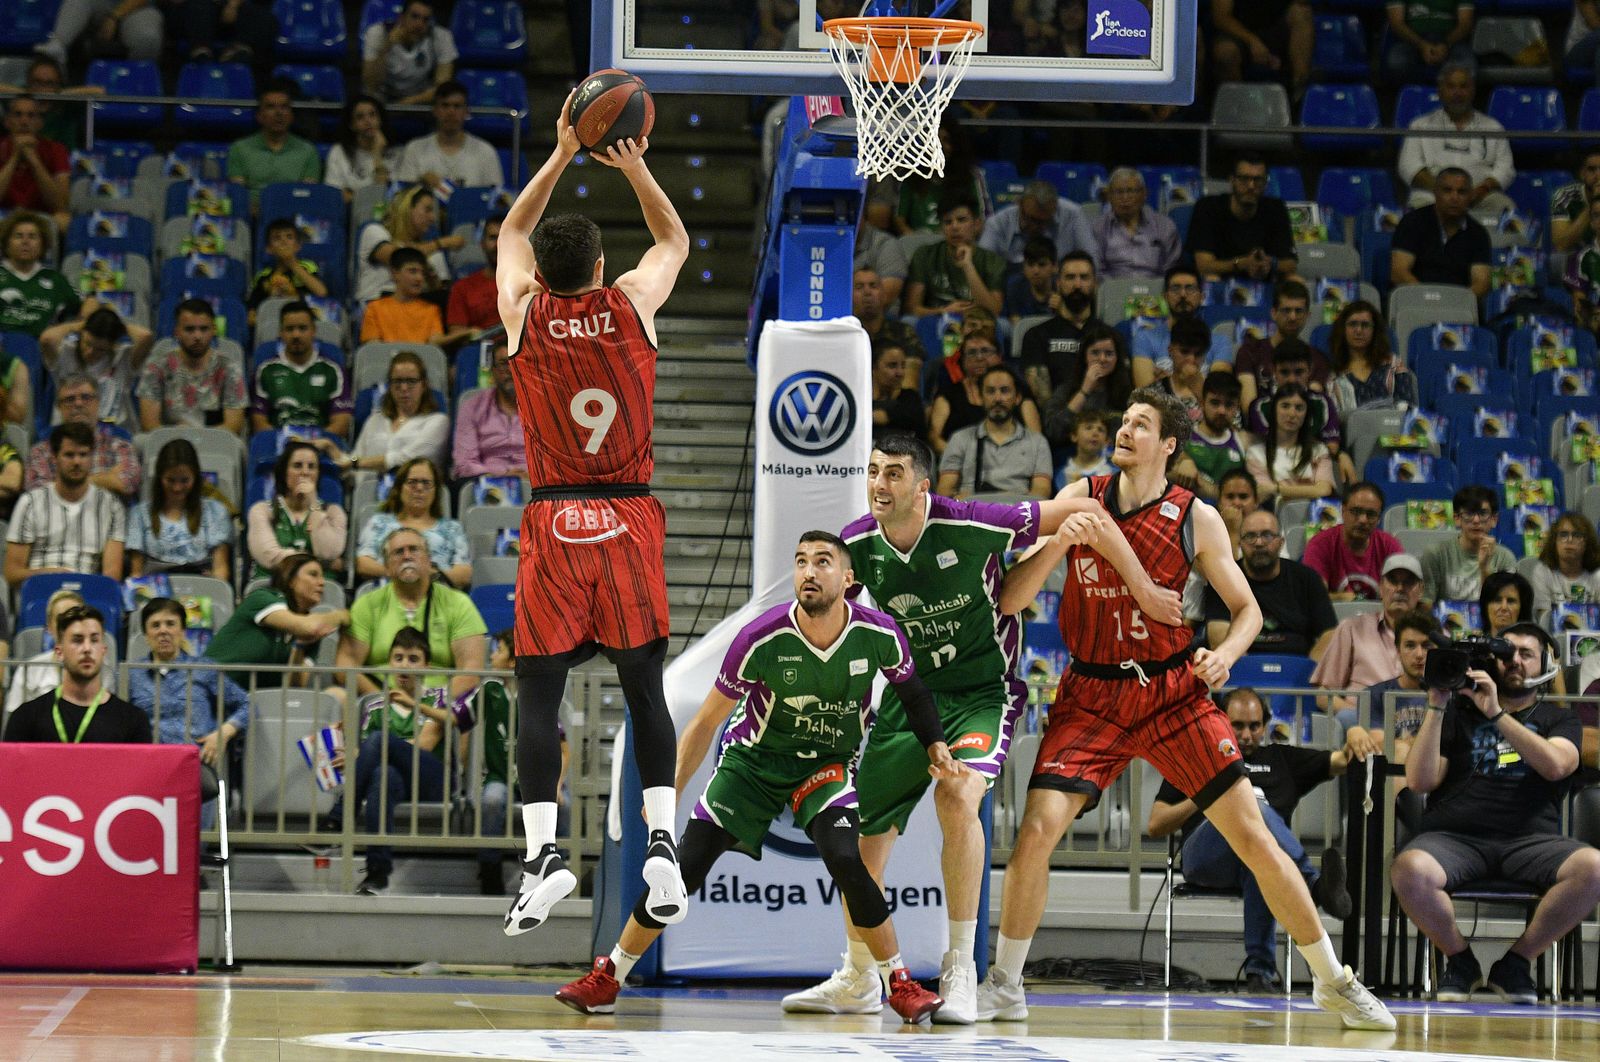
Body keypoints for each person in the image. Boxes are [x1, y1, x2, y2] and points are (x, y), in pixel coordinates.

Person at [985, 388, 1393, 1030]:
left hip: (1171, 691)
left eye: (1140, 424)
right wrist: (1060, 541)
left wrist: (1228, 654)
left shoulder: (1194, 516)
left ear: (1168, 445)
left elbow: (1249, 609)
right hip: (1091, 691)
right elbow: (1009, 602)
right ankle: (1005, 984)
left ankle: (1332, 981)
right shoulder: (1078, 495)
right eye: (1123, 419)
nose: (1124, 429)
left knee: (1254, 835)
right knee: (1036, 830)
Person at [783, 430, 1180, 1023]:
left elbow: (1090, 509)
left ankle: (960, 967)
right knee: (864, 843)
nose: (878, 485)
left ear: (922, 487)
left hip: (979, 695)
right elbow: (823, 614)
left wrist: (1143, 590)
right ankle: (860, 975)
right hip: (905, 699)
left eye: (892, 474)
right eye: (871, 472)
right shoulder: (855, 545)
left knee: (957, 793)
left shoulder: (972, 523)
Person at [554, 531, 954, 1023]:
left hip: (825, 765)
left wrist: (936, 745)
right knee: (685, 868)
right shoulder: (760, 637)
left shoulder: (879, 632)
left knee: (849, 861)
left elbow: (914, 694)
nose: (809, 570)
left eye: (823, 561)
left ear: (847, 579)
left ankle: (900, 984)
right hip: (752, 765)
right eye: (801, 560)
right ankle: (608, 977)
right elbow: (703, 723)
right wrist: (671, 791)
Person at [493, 97, 689, 937]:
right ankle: (660, 841)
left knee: (539, 687)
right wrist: (631, 161)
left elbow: (509, 230)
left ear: (541, 274)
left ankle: (542, 857)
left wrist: (564, 151)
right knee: (643, 687)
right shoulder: (632, 304)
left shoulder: (522, 312)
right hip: (629, 516)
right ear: (605, 264)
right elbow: (675, 241)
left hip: (552, 517)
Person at [1391, 623, 1599, 1005]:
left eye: (1526, 654)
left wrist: (1498, 714)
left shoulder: (1560, 719)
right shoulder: (1458, 712)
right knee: (1409, 868)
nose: (1514, 662)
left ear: (1546, 665)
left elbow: (1555, 765)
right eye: (1508, 654)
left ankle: (1516, 963)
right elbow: (1420, 781)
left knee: (1594, 867)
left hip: (1531, 841)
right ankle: (1460, 960)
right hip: (1455, 839)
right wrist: (1437, 707)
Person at [1148, 687, 1368, 993]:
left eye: (1254, 726)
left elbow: (1343, 761)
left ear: (1265, 726)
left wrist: (1354, 729)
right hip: (1207, 859)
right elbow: (1156, 824)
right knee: (1251, 806)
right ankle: (1314, 885)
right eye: (1237, 726)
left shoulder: (1282, 760)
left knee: (1262, 860)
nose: (1247, 734)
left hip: (1261, 859)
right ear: (1221, 722)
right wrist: (1207, 794)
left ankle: (1259, 974)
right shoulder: (1197, 758)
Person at [342, 626, 456, 894]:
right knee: (382, 775)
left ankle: (341, 811)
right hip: (399, 784)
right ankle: (377, 872)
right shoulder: (374, 706)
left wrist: (377, 747)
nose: (405, 666)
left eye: (414, 659)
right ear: (389, 663)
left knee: (380, 742)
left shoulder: (438, 699)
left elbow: (426, 744)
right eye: (399, 658)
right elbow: (364, 755)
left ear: (427, 666)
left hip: (433, 781)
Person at [337, 526, 485, 704]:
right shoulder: (367, 605)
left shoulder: (459, 604)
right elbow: (346, 664)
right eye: (398, 552)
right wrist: (385, 702)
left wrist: (428, 707)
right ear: (387, 566)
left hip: (439, 709)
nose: (407, 556)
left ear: (429, 561)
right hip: (381, 705)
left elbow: (471, 672)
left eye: (414, 549)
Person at [475, 630, 564, 896]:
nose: (492, 655)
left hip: (536, 779)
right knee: (491, 800)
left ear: (513, 660)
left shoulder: (538, 693)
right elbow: (457, 716)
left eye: (498, 649)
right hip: (498, 776)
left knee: (565, 804)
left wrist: (558, 783)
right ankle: (489, 870)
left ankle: (562, 868)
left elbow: (564, 747)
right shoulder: (488, 690)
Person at [129, 597, 249, 770]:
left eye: (171, 624)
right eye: (155, 625)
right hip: (148, 768)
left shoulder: (204, 669)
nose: (163, 631)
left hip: (196, 767)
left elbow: (247, 704)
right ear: (146, 635)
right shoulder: (131, 674)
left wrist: (223, 733)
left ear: (183, 631)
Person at [1313, 553, 1427, 732]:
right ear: (1381, 587)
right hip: (1363, 725)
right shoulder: (1351, 628)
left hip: (1418, 722)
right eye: (1393, 581)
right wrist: (1361, 717)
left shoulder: (1436, 637)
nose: (1399, 588)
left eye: (1408, 583)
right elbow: (1323, 694)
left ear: (1420, 590)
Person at [2, 605, 149, 744]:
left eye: (94, 640)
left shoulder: (133, 720)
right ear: (59, 652)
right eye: (77, 640)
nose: (87, 648)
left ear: (104, 650)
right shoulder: (25, 717)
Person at [4, 423, 125, 588]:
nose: (77, 461)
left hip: (88, 593)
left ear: (92, 457)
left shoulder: (112, 506)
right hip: (41, 589)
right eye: (69, 455)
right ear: (54, 458)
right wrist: (52, 574)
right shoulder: (30, 502)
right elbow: (12, 573)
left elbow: (112, 575)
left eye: (83, 455)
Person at [1205, 508, 1338, 658]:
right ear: (1240, 543)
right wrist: (1244, 672)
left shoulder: (1307, 578)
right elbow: (1218, 634)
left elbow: (1329, 634)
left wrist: (1309, 672)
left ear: (1281, 542)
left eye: (1267, 535)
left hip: (1298, 671)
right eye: (1250, 536)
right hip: (1243, 670)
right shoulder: (1224, 579)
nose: (1259, 543)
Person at [207, 552, 344, 691]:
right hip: (208, 687)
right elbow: (308, 626)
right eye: (313, 575)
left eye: (322, 576)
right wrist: (343, 615)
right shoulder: (263, 598)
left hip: (249, 702)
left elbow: (295, 686)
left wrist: (300, 647)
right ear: (291, 580)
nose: (322, 582)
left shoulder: (311, 631)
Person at [1397, 63, 1515, 212]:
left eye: (1463, 86)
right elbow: (1409, 166)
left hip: (1479, 197)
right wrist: (1446, 192)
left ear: (1473, 90)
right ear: (1440, 91)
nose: (1457, 92)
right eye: (1451, 87)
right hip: (1431, 196)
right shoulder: (1420, 125)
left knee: (1505, 208)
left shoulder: (1493, 127)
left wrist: (1480, 190)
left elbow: (1505, 169)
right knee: (1418, 212)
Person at [317, 349, 450, 477]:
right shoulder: (375, 420)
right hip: (367, 495)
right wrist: (331, 448)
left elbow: (406, 459)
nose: (404, 388)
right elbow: (352, 466)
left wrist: (355, 463)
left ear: (424, 385)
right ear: (389, 385)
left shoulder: (438, 422)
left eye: (411, 381)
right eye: (397, 381)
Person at [936, 366, 1052, 499]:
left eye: (1005, 391)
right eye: (990, 391)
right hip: (971, 514)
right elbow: (944, 492)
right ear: (980, 397)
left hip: (1018, 514)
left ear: (1018, 398)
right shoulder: (960, 439)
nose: (997, 398)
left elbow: (1041, 494)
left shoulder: (1037, 442)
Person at [355, 457, 469, 588]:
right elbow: (363, 564)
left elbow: (464, 574)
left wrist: (430, 576)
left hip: (437, 596)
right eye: (412, 482)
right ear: (399, 488)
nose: (419, 488)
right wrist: (402, 574)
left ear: (435, 491)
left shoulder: (452, 529)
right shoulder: (379, 523)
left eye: (426, 483)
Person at [127, 439, 233, 579]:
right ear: (160, 478)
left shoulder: (216, 511)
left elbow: (220, 569)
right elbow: (136, 573)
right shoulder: (139, 514)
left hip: (202, 589)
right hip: (156, 590)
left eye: (184, 480)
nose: (177, 488)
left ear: (195, 478)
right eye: (170, 480)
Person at [24, 372, 141, 499]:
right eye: (70, 399)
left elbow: (127, 483)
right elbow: (37, 493)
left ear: (98, 402)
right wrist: (106, 479)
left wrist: (62, 486)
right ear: (59, 407)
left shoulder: (119, 445)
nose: (78, 404)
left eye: (86, 397)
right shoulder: (41, 450)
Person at [137, 300, 247, 434]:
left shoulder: (229, 368)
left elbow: (233, 426)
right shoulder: (157, 368)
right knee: (140, 441)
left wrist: (196, 437)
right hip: (168, 443)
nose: (197, 336)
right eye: (189, 329)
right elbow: (149, 425)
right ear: (176, 331)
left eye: (204, 329)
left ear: (214, 330)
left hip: (216, 443)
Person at [39, 306, 155, 433]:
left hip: (115, 432)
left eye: (100, 349)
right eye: (87, 343)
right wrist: (80, 325)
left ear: (112, 346)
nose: (90, 352)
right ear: (81, 335)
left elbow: (146, 336)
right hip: (69, 430)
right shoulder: (66, 353)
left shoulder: (122, 357)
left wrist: (119, 326)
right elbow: (46, 338)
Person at [1184, 153, 1297, 282]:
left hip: (1263, 279)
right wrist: (1241, 264)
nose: (1251, 186)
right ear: (1232, 180)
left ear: (1265, 183)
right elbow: (1204, 266)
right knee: (1211, 278)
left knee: (1295, 280)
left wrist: (1270, 264)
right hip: (1221, 281)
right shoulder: (1208, 207)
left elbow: (1290, 264)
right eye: (1244, 178)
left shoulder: (1275, 208)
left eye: (1258, 180)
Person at [246, 440, 348, 580]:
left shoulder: (333, 512)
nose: (305, 472)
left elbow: (327, 552)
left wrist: (313, 504)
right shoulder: (262, 510)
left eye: (311, 467)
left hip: (319, 591)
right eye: (297, 466)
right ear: (284, 472)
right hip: (272, 587)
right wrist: (322, 562)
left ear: (318, 474)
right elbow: (268, 556)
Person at [250, 302, 353, 435]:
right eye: (290, 329)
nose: (296, 335)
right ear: (280, 333)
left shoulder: (332, 370)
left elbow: (341, 423)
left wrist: (310, 442)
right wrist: (287, 443)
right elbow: (259, 423)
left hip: (322, 444)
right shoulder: (265, 371)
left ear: (314, 331)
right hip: (279, 445)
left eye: (302, 328)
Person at [928, 334, 1042, 455]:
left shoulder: (1019, 392)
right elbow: (934, 438)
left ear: (999, 357)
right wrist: (962, 458)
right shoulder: (949, 394)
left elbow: (1036, 440)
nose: (979, 357)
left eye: (985, 351)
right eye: (971, 352)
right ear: (963, 361)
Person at [1390, 167, 1493, 296]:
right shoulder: (1412, 222)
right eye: (1447, 190)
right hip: (1416, 303)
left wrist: (1456, 304)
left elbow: (1481, 282)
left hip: (1459, 307)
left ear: (1470, 196)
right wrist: (1430, 299)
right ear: (1435, 192)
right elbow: (1399, 272)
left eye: (1461, 192)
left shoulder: (1478, 234)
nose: (1454, 197)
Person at [354, 184, 462, 305]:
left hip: (413, 311)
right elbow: (400, 257)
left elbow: (441, 295)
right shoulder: (374, 231)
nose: (433, 218)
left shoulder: (434, 253)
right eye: (427, 210)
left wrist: (433, 279)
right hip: (375, 306)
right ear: (407, 208)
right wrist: (442, 242)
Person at [1230, 280, 1328, 412]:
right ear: (1273, 313)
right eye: (1286, 310)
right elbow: (1249, 408)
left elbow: (1314, 406)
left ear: (1307, 315)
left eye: (1298, 311)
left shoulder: (1317, 358)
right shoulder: (1250, 351)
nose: (1292, 317)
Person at [1130, 265, 1235, 388]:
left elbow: (1217, 390)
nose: (1183, 294)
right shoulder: (1145, 338)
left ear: (1202, 297)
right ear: (1165, 297)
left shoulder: (1220, 341)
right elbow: (1145, 392)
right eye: (1175, 288)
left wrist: (1168, 381)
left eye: (1190, 288)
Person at [904, 194, 1006, 318]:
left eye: (962, 220)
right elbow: (912, 309)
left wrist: (968, 266)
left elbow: (993, 312)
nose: (955, 227)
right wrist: (944, 311)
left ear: (977, 224)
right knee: (909, 320)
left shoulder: (993, 261)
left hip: (977, 323)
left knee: (1003, 326)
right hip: (937, 319)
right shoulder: (925, 254)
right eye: (948, 222)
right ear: (941, 227)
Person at [1018, 251, 1100, 404]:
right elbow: (1043, 400)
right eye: (1070, 277)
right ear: (1058, 284)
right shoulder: (1037, 335)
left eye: (1084, 277)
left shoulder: (1109, 335)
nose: (1077, 284)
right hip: (1056, 420)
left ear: (1095, 284)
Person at [394, 80, 504, 191]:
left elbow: (496, 198)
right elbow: (402, 196)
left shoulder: (485, 151)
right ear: (435, 110)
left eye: (457, 106)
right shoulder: (415, 149)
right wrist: (420, 184)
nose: (451, 112)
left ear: (466, 112)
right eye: (445, 105)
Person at [1303, 481, 1404, 601]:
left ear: (1378, 519)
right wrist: (1341, 598)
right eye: (1355, 511)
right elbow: (1313, 598)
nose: (1363, 520)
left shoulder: (1390, 545)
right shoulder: (1319, 544)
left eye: (1371, 514)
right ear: (1343, 511)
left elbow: (1402, 595)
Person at [225, 82, 321, 205]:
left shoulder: (308, 151)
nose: (278, 113)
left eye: (284, 107)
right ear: (259, 116)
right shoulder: (239, 148)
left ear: (292, 116)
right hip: (253, 215)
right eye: (270, 107)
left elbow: (307, 194)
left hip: (293, 213)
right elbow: (238, 195)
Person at [1041, 322, 1132, 447]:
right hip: (1072, 457)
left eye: (1109, 354)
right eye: (1095, 353)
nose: (1102, 359)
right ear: (1085, 356)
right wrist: (1084, 391)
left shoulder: (1127, 392)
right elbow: (1054, 431)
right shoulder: (1066, 390)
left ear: (1117, 358)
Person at [1422, 485, 1517, 602]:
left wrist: (1485, 567)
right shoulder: (1435, 554)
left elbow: (1502, 607)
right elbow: (1425, 605)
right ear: (1457, 519)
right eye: (1469, 513)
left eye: (1483, 514)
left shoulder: (1505, 558)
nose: (1476, 520)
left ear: (1494, 520)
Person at [1245, 382, 1336, 502]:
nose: (1292, 414)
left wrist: (1277, 488)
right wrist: (1309, 489)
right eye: (1285, 406)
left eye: (1299, 408)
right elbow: (1264, 493)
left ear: (1306, 414)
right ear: (1274, 410)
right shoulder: (1256, 453)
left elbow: (1324, 490)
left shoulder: (1319, 450)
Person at [0, 211, 76, 353]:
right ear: (6, 243)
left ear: (43, 245)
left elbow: (84, 305)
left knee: (24, 343)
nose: (25, 241)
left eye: (32, 237)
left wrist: (90, 303)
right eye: (18, 236)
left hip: (37, 347)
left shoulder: (55, 280)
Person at [3, 588, 84, 721]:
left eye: (74, 619)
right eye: (61, 619)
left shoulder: (100, 671)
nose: (68, 627)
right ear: (49, 627)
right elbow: (14, 721)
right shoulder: (28, 669)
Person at [978, 179, 1096, 270]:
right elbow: (981, 267)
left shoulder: (1073, 215)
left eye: (1045, 221)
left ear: (1055, 207)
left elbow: (1092, 262)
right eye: (1032, 219)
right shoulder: (997, 224)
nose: (1036, 227)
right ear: (1019, 205)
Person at [1326, 300, 1416, 418]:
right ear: (1343, 329)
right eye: (1353, 324)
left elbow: (1407, 407)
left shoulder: (1394, 364)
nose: (1358, 330)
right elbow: (1333, 419)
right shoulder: (1332, 374)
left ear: (1374, 331)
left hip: (1391, 432)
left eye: (1365, 325)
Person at [453, 337, 528, 479]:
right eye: (503, 364)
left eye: (517, 362)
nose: (511, 370)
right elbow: (464, 463)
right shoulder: (471, 407)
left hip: (536, 486)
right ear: (493, 370)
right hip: (487, 484)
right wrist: (503, 476)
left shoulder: (543, 408)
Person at [1172, 371, 1252, 501]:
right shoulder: (1181, 436)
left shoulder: (1244, 441)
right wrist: (1183, 460)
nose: (1221, 411)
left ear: (1237, 407)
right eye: (1215, 403)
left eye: (1229, 405)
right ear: (1202, 403)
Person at [1368, 607, 1441, 750]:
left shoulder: (1449, 695)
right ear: (1398, 651)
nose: (1419, 654)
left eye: (1426, 646)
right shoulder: (1375, 695)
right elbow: (1380, 747)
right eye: (1410, 645)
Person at [1209, 0, 1313, 97]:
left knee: (1301, 13)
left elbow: (1302, 2)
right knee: (1225, 52)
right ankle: (1236, 105)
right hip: (1239, 31)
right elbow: (1221, 17)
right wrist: (1252, 41)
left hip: (1276, 26)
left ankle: (1300, 95)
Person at [1092, 167, 1181, 279]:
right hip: (1113, 291)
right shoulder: (1098, 228)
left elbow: (1172, 270)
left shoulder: (1165, 226)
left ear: (1144, 193)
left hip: (1156, 292)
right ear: (1109, 196)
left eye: (1131, 191)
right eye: (1118, 192)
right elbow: (1097, 270)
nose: (1125, 198)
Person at [360, 247, 461, 346]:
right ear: (395, 273)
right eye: (413, 271)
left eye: (422, 273)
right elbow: (372, 347)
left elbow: (435, 341)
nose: (419, 278)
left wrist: (464, 333)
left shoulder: (431, 310)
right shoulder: (375, 309)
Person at [362, 0, 456, 106]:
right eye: (414, 17)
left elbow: (442, 86)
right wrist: (387, 47)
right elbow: (371, 83)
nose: (419, 24)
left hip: (420, 99)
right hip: (383, 98)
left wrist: (406, 103)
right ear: (401, 17)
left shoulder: (441, 36)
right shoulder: (378, 33)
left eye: (425, 19)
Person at [0, 94, 70, 227]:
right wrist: (15, 157)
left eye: (31, 116)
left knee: (63, 220)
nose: (24, 121)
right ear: (7, 121)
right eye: (18, 115)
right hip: (3, 215)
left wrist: (33, 160)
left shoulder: (56, 149)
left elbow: (60, 205)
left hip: (41, 216)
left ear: (40, 123)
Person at [32, 0, 163, 65]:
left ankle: (138, 78)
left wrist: (114, 16)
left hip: (138, 8)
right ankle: (58, 44)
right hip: (99, 4)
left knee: (147, 37)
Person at [854, 267, 924, 386]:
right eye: (859, 287)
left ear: (883, 295)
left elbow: (910, 380)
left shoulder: (904, 332)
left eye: (873, 286)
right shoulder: (845, 335)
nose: (867, 292)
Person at [324, 95, 401, 203]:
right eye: (360, 117)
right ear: (352, 125)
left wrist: (377, 154)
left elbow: (387, 196)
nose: (368, 121)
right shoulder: (338, 152)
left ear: (380, 120)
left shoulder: (396, 154)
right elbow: (335, 196)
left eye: (372, 115)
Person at [245, 218, 328, 312]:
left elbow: (321, 293)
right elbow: (252, 310)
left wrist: (293, 264)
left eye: (289, 237)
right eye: (277, 238)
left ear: (297, 246)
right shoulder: (263, 276)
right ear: (269, 248)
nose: (283, 241)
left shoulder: (307, 266)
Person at [1384, 0, 1476, 84]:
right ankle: (1416, 95)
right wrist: (1421, 44)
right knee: (1397, 63)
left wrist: (1446, 44)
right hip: (1411, 40)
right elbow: (1396, 23)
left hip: (1451, 40)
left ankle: (1448, 97)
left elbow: (1465, 24)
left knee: (1467, 65)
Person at [1530, 512, 1600, 620]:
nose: (1569, 540)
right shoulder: (1543, 572)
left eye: (1577, 535)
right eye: (1563, 534)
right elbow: (1543, 619)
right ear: (1555, 541)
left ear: (1587, 542)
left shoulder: (1597, 575)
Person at [445, 216, 504, 335]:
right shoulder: (462, 288)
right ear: (482, 244)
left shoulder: (532, 282)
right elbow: (456, 331)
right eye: (493, 238)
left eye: (504, 237)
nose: (498, 244)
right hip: (479, 348)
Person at [1153, 314, 1211, 417]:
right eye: (1184, 352)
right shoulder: (1153, 393)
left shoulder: (1218, 392)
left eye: (1198, 354)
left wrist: (1201, 393)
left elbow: (1234, 431)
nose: (1191, 360)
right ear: (1170, 350)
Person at [1549, 146, 1600, 254]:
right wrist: (1592, 204)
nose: (1598, 175)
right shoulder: (1565, 196)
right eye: (1592, 169)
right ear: (1582, 174)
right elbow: (1561, 245)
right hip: (1575, 261)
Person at [870, 340, 925, 439]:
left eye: (903, 366)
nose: (900, 373)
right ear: (873, 368)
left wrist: (884, 417)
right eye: (892, 366)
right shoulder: (860, 402)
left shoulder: (911, 400)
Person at [1002, 237, 1056, 325]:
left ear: (1055, 266)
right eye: (1030, 264)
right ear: (1023, 266)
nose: (1036, 271)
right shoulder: (1015, 285)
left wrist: (1063, 310)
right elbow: (1015, 320)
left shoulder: (1063, 287)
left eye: (1042, 264)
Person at [1055, 411, 1115, 490]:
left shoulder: (1114, 474)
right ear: (1074, 436)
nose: (1095, 433)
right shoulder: (1061, 474)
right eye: (1088, 428)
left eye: (1100, 430)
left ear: (1106, 441)